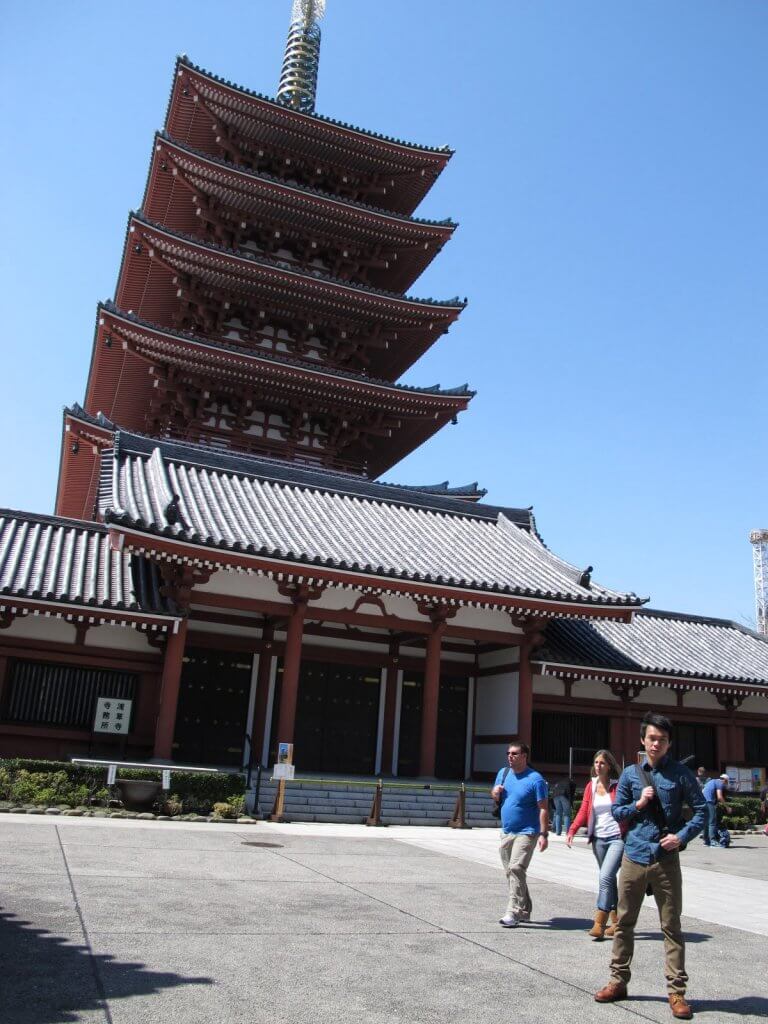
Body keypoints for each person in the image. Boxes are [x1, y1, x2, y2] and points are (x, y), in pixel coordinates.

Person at [594, 712, 705, 1020]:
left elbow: (702, 811)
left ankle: (676, 991)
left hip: (665, 859)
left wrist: (681, 838)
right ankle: (618, 981)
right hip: (633, 855)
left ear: (669, 743)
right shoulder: (630, 774)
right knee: (624, 923)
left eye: (662, 739)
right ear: (642, 740)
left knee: (671, 926)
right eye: (652, 738)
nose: (656, 744)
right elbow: (617, 812)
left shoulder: (681, 774)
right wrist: (639, 804)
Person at [566, 749, 625, 939]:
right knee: (609, 879)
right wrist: (572, 829)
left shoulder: (618, 786)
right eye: (596, 762)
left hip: (617, 838)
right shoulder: (591, 786)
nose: (598, 766)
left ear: (609, 766)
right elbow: (584, 810)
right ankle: (616, 923)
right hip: (598, 839)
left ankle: (599, 922)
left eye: (602, 763)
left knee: (605, 877)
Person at [491, 742, 549, 928]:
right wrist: (495, 793)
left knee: (516, 868)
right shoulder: (503, 773)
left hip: (527, 832)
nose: (510, 756)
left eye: (515, 753)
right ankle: (524, 909)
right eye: (508, 753)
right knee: (512, 872)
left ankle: (513, 912)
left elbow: (543, 808)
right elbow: (496, 796)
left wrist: (544, 834)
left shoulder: (535, 779)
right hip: (507, 831)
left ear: (524, 756)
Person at [701, 773, 730, 847]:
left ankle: (706, 841)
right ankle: (713, 841)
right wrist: (727, 807)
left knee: (706, 822)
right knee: (712, 822)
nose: (725, 784)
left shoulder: (711, 781)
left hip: (702, 802)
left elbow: (703, 791)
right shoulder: (720, 783)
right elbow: (719, 797)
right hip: (709, 802)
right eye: (726, 782)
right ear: (725, 780)